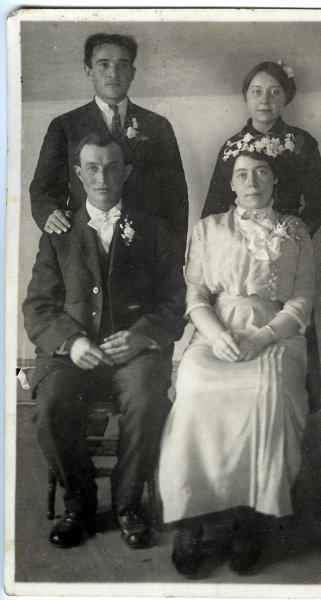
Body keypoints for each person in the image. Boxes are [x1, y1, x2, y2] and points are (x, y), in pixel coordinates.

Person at [158, 134, 315, 578]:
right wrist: (215, 334)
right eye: (242, 174)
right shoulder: (208, 229)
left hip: (275, 334)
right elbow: (196, 296)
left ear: (276, 179)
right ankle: (190, 516)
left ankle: (250, 516)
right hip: (217, 331)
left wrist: (262, 337)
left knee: (268, 393)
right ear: (231, 183)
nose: (252, 182)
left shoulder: (296, 230)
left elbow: (301, 302)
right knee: (195, 389)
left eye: (261, 172)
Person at [23, 132, 186, 549]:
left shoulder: (155, 230)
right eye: (92, 168)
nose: (102, 177)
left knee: (148, 399)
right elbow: (38, 308)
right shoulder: (57, 233)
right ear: (78, 174)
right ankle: (79, 502)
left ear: (126, 171)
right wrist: (72, 342)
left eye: (112, 167)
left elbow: (173, 302)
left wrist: (142, 337)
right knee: (51, 404)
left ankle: (128, 503)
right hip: (72, 354)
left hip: (133, 354)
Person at [202, 60, 321, 411]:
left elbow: (320, 199)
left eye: (274, 92)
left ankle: (299, 413)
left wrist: (291, 236)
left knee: (294, 318)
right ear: (245, 97)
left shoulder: (301, 142)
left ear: (285, 98)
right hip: (239, 254)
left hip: (285, 247)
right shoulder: (231, 147)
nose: (265, 100)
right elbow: (213, 208)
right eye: (256, 92)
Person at [30, 32, 188, 261]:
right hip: (86, 247)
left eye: (122, 65)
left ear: (132, 73)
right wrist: (49, 213)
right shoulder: (65, 126)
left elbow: (176, 198)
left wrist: (173, 256)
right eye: (103, 65)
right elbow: (43, 189)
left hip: (144, 248)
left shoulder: (158, 126)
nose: (113, 73)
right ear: (88, 70)